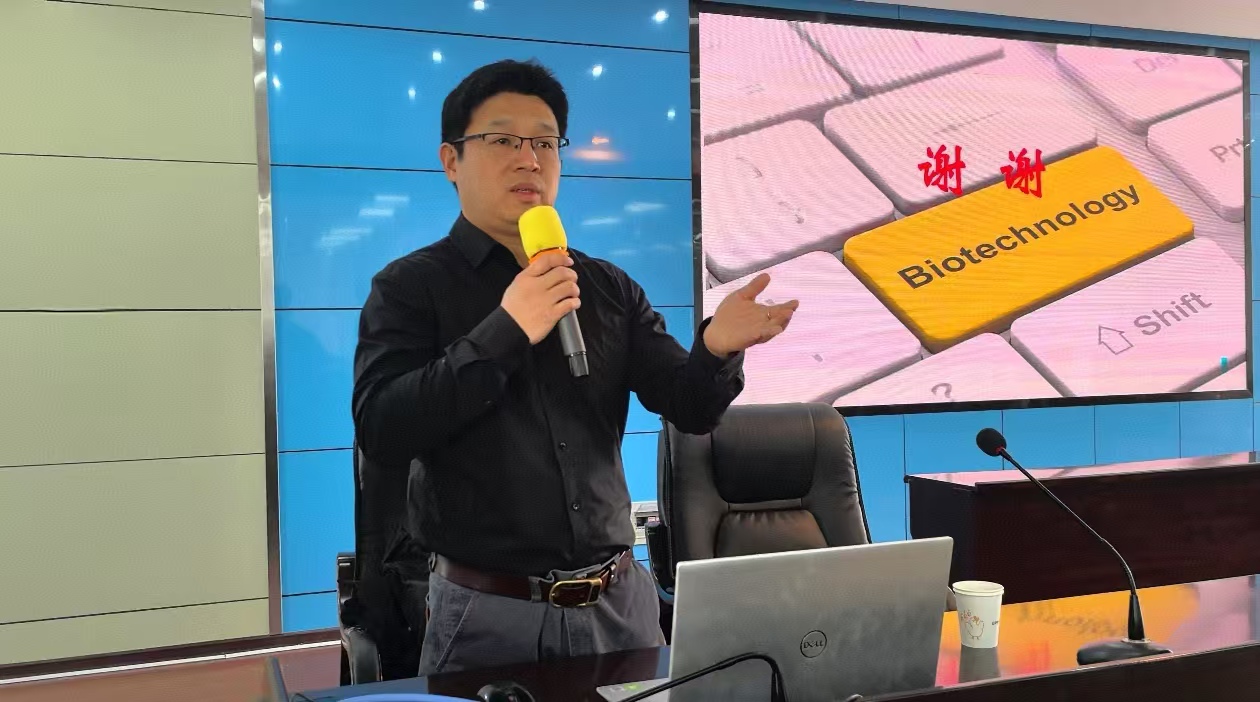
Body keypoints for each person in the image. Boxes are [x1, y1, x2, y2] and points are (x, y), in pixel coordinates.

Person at [352, 58, 798, 677]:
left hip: (619, 603)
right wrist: (506, 330)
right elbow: (383, 427)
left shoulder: (607, 287)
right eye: (503, 140)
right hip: (487, 611)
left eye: (544, 142)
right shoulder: (408, 288)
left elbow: (690, 407)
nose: (529, 159)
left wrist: (717, 348)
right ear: (451, 160)